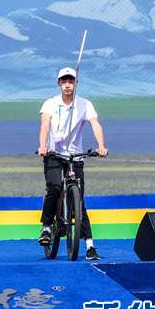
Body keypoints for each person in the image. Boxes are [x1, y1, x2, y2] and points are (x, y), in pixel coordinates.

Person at [37, 67, 109, 260]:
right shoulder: (50, 104)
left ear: (76, 83)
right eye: (64, 81)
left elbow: (95, 124)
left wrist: (101, 146)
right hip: (53, 154)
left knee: (79, 201)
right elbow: (45, 125)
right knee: (54, 188)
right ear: (59, 83)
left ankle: (90, 246)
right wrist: (43, 146)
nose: (68, 85)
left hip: (75, 156)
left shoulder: (85, 104)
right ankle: (46, 227)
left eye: (71, 81)